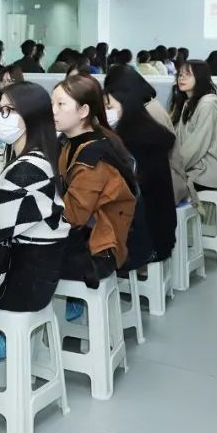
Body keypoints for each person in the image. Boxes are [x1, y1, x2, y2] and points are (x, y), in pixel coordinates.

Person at [0, 81, 69, 367]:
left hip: (19, 287)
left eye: (9, 110)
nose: (0, 117)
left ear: (31, 116)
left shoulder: (27, 169)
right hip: (37, 280)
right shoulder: (42, 158)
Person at [51, 75, 136, 289]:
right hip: (87, 235)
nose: (53, 111)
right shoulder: (72, 143)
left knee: (23, 256)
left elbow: (73, 216)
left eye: (61, 104)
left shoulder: (92, 158)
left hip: (98, 250)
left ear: (83, 111)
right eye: (52, 104)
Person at [103, 70, 177, 272]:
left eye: (109, 107)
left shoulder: (132, 142)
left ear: (125, 104)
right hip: (160, 232)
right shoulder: (146, 128)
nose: (106, 112)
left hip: (145, 239)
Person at [171, 61, 217, 189]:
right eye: (180, 74)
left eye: (188, 74)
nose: (181, 78)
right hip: (194, 166)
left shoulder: (207, 105)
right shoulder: (187, 102)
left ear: (200, 78)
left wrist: (173, 167)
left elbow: (197, 146)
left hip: (208, 172)